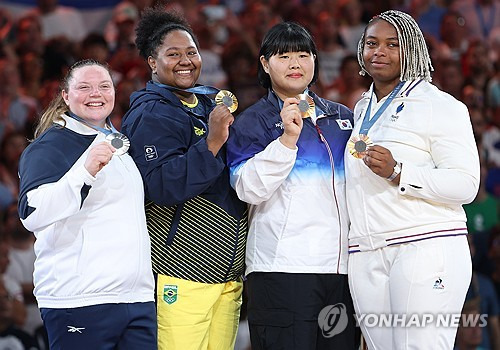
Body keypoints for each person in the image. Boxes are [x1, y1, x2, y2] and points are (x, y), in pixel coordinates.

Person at [345, 10, 480, 350]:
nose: (380, 52)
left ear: (413, 50)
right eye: (372, 43)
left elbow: (465, 184)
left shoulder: (441, 105)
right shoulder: (361, 108)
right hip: (367, 251)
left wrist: (401, 172)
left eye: (393, 45)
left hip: (424, 245)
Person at [120, 8, 248, 350]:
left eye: (191, 52)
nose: (185, 61)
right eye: (172, 54)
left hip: (227, 273)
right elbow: (162, 185)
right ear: (152, 61)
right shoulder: (151, 113)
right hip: (181, 271)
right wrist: (213, 142)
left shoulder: (207, 101)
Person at [226, 22, 358, 350]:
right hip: (282, 269)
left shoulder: (341, 117)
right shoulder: (252, 122)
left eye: (303, 54)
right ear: (265, 64)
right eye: (283, 56)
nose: (295, 64)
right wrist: (287, 140)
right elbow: (248, 189)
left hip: (342, 271)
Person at [17, 59, 156, 350]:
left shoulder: (118, 145)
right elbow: (31, 213)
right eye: (84, 87)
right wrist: (85, 170)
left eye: (104, 86)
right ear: (66, 96)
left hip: (135, 298)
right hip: (80, 300)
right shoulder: (50, 146)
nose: (96, 93)